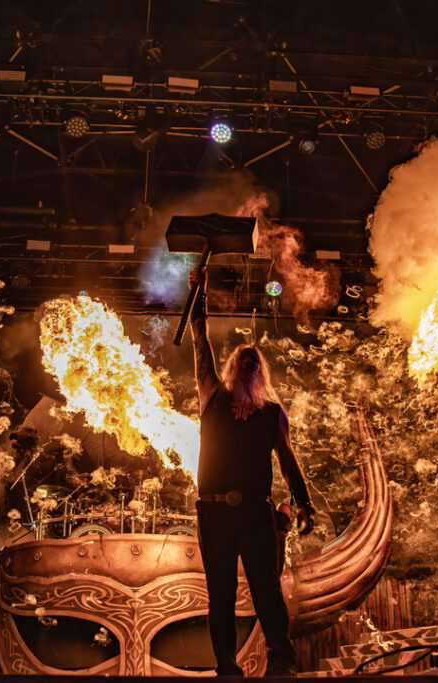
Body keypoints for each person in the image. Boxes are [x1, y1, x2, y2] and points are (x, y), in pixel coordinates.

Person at [188, 267, 315, 677]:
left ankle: (281, 660)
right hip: (214, 512)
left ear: (259, 372)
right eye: (240, 361)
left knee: (266, 589)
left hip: (255, 514)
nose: (246, 366)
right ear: (230, 369)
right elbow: (200, 343)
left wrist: (304, 504)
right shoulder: (211, 397)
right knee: (219, 594)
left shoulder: (272, 414)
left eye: (252, 362)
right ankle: (226, 667)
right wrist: (198, 296)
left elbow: (289, 460)